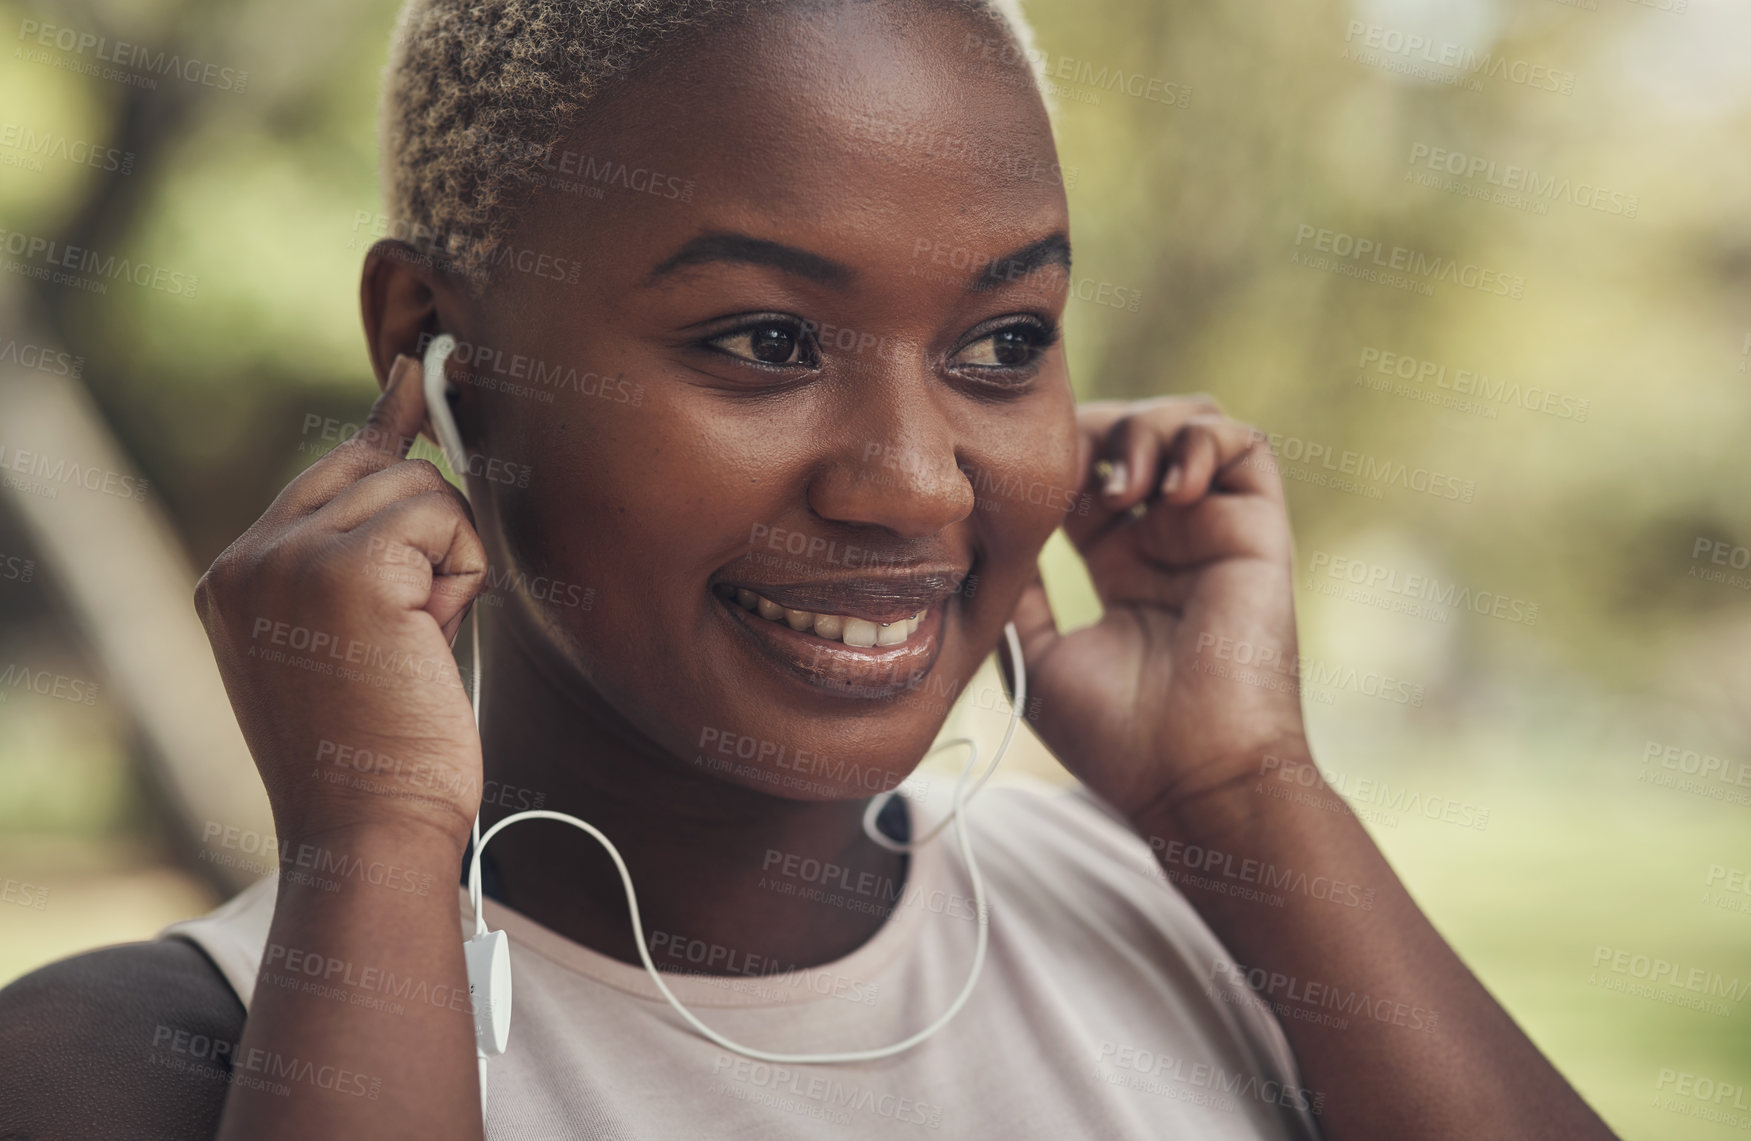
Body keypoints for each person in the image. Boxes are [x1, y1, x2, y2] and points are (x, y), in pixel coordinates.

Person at [0, 1, 1623, 1138]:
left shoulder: (1219, 927)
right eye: (766, 341)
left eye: (1002, 342)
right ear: (432, 341)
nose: (913, 482)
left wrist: (1248, 793)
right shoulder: (141, 1064)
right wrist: (374, 836)